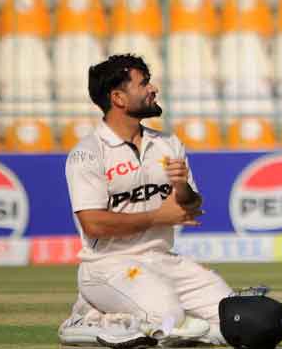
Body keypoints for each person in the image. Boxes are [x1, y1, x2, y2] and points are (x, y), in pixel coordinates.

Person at [58, 54, 232, 348]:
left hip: (163, 260)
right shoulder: (88, 153)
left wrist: (181, 188)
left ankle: (156, 326)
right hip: (108, 266)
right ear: (118, 98)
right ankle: (89, 319)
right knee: (168, 319)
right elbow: (93, 223)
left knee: (236, 319)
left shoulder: (167, 143)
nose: (153, 89)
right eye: (144, 84)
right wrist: (156, 217)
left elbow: (190, 206)